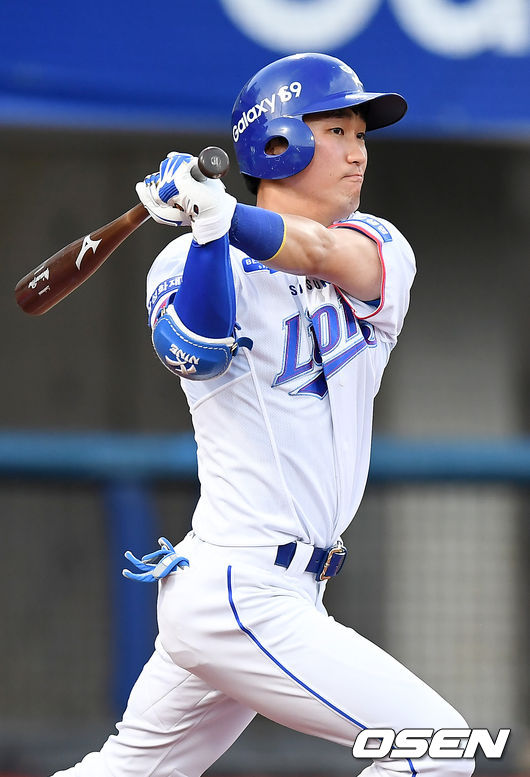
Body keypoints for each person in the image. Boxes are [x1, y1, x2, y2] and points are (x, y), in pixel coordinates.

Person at [53, 53, 473, 777]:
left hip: (284, 589)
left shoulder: (379, 243)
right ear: (277, 142)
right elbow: (196, 351)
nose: (358, 152)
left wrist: (222, 214)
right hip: (239, 584)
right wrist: (208, 233)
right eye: (337, 131)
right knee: (436, 748)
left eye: (361, 135)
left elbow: (316, 250)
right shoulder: (181, 262)